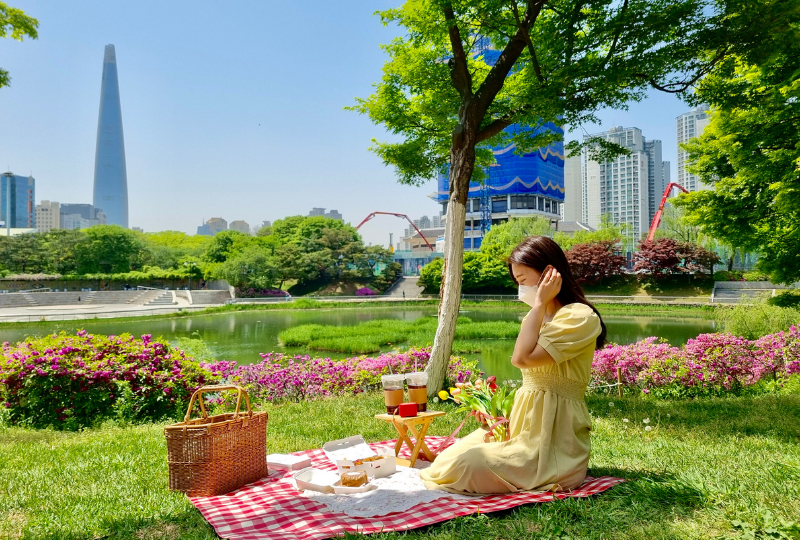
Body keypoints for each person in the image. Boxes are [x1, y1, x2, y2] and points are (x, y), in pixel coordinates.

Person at [421, 236, 607, 495]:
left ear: (549, 273)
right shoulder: (535, 317)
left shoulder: (578, 316)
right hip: (521, 428)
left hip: (554, 439)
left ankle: (547, 468)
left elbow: (522, 360)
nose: (521, 289)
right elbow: (531, 381)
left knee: (469, 465)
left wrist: (540, 303)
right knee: (447, 460)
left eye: (522, 280)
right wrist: (498, 414)